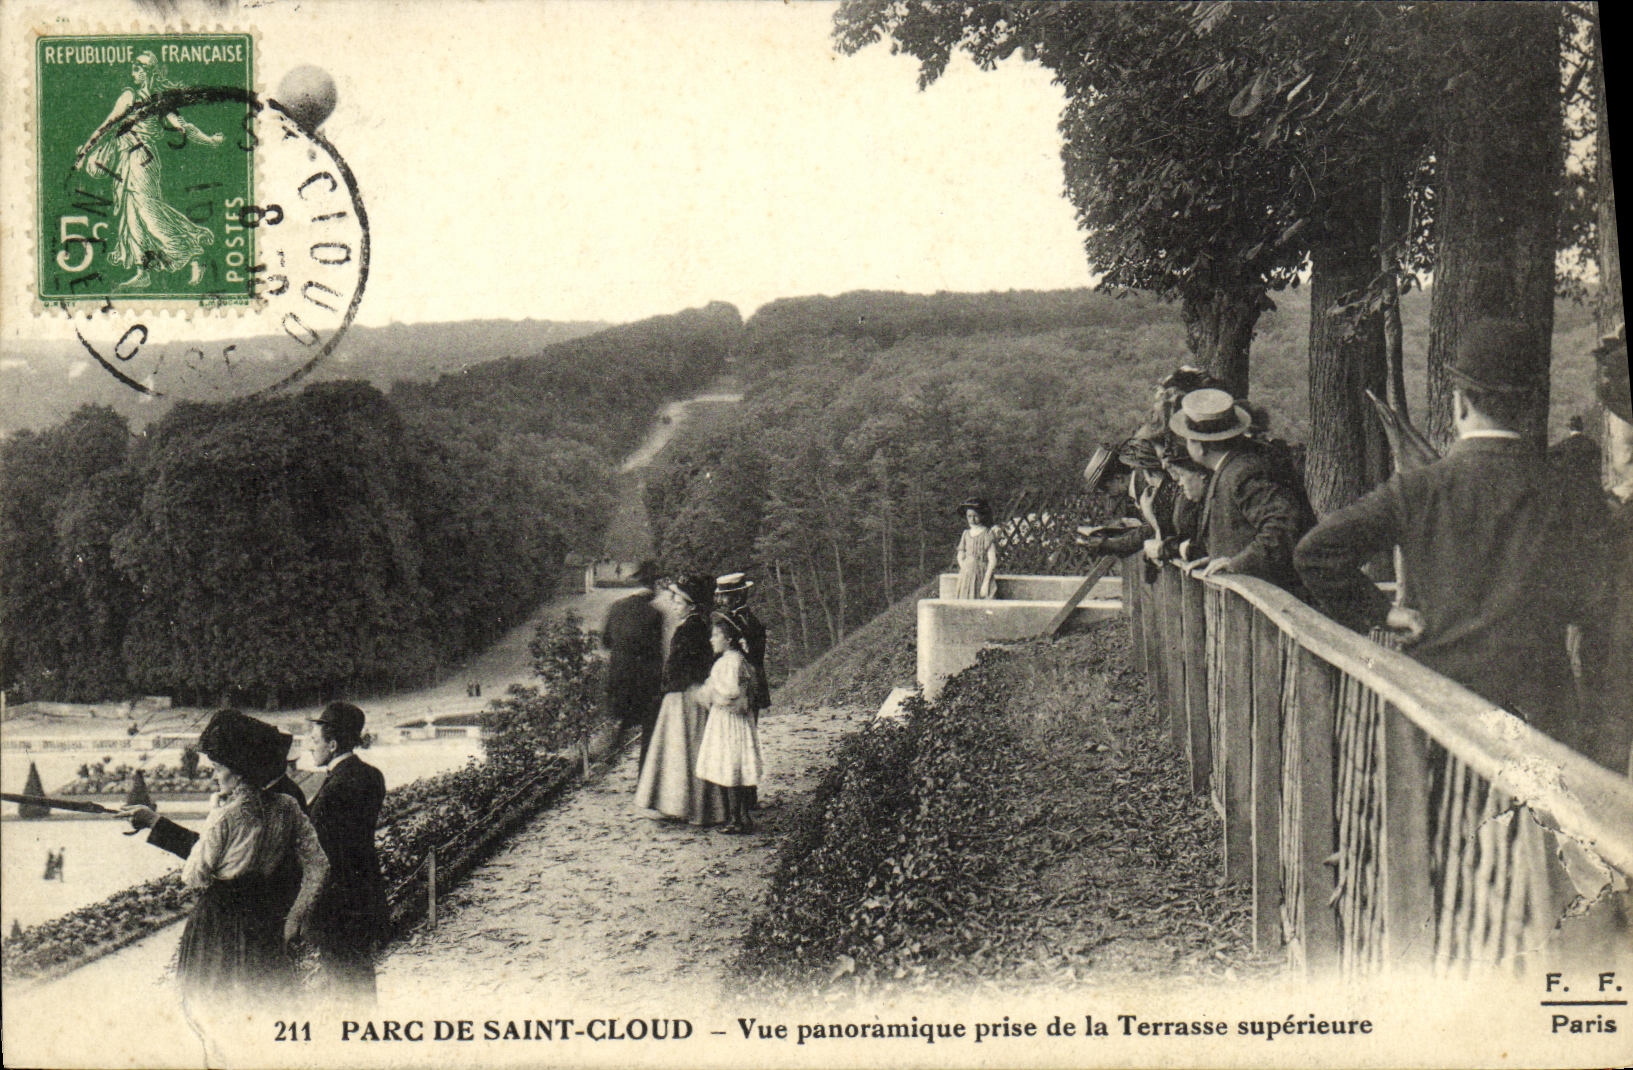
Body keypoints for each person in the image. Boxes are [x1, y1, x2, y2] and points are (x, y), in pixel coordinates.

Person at [1294, 319, 1611, 744]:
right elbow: (1593, 599)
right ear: (1531, 404)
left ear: (1459, 405)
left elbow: (1315, 553)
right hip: (1542, 720)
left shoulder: (1419, 488)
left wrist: (1383, 613)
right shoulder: (1564, 489)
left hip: (1441, 713)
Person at [121, 708, 327, 1004]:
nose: (213, 774)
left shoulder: (225, 814)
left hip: (221, 926)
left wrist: (213, 814)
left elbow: (194, 876)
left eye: (217, 767)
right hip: (266, 925)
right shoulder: (288, 803)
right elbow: (318, 865)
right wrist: (295, 916)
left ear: (239, 768)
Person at [74, 52, 224, 289]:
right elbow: (108, 124)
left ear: (147, 72)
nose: (133, 74)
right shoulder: (128, 96)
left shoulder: (159, 101)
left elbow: (184, 128)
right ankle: (142, 271)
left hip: (144, 159)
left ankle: (189, 252)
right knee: (131, 215)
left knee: (147, 210)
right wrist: (86, 150)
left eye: (137, 69)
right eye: (133, 69)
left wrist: (211, 140)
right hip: (126, 159)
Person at [1169, 388, 1315, 595]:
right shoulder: (1230, 469)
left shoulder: (1243, 471)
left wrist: (1236, 564)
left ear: (1200, 446)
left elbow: (1282, 524)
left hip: (1279, 597)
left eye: (1188, 440)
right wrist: (1218, 556)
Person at [306, 701, 390, 1004]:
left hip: (337, 905)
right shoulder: (371, 775)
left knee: (344, 984)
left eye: (315, 741)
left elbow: (322, 848)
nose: (310, 748)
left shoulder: (337, 786)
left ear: (333, 744)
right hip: (365, 893)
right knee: (360, 981)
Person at [633, 574, 728, 826]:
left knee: (687, 750)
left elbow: (688, 665)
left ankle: (694, 807)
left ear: (691, 604)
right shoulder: (692, 626)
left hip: (685, 696)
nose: (673, 604)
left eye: (678, 600)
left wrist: (672, 685)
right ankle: (688, 806)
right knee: (683, 750)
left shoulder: (691, 629)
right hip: (681, 693)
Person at [694, 615, 766, 834]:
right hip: (735, 721)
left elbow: (730, 693)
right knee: (736, 766)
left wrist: (708, 693)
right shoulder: (736, 659)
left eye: (716, 635)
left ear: (729, 639)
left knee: (731, 765)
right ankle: (741, 816)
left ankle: (737, 819)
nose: (711, 640)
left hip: (729, 721)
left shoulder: (729, 662)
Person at [601, 560, 667, 771]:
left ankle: (610, 750)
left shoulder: (616, 607)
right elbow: (656, 652)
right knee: (650, 730)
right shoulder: (655, 614)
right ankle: (644, 778)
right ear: (653, 588)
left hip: (618, 679)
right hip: (644, 682)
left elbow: (605, 642)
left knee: (624, 721)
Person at [716, 571, 771, 810]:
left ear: (738, 596)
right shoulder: (739, 619)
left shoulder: (742, 622)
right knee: (743, 738)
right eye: (721, 596)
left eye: (726, 596)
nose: (721, 601)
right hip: (745, 683)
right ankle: (746, 797)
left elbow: (753, 657)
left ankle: (745, 798)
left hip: (745, 685)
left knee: (741, 740)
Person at [955, 497, 999, 599]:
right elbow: (960, 555)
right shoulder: (966, 534)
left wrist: (986, 582)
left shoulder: (987, 534)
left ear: (982, 515)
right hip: (966, 574)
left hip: (981, 574)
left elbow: (992, 561)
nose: (972, 519)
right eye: (969, 516)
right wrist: (964, 568)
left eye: (975, 516)